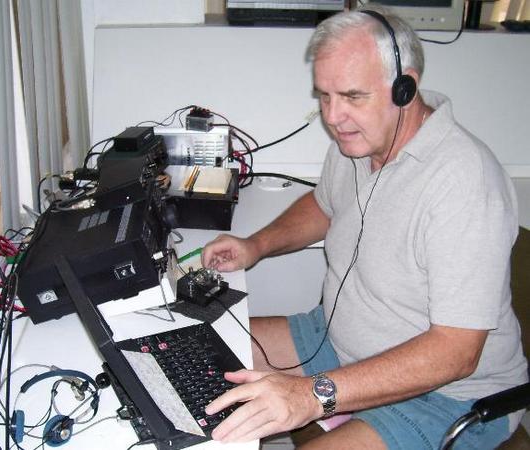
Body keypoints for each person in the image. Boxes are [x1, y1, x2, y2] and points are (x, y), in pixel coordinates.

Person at [201, 6, 528, 449]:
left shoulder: (465, 182)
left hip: (449, 396)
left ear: (404, 88)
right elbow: (325, 206)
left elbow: (456, 352)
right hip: (337, 340)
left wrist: (312, 395)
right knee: (198, 348)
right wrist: (256, 245)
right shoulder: (357, 142)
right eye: (325, 96)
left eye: (353, 96)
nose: (333, 117)